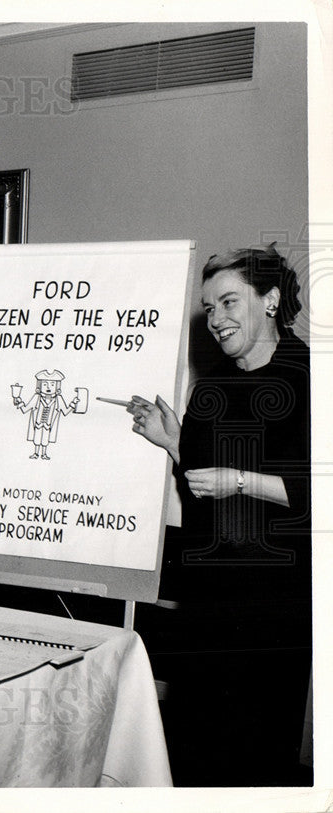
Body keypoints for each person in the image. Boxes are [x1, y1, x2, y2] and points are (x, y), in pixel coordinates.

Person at [127, 245, 310, 786]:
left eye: (229, 302)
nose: (217, 320)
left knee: (253, 753)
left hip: (274, 603)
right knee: (193, 745)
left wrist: (239, 480)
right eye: (210, 308)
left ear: (271, 300)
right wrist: (176, 444)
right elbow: (206, 479)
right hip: (208, 593)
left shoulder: (308, 379)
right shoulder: (212, 386)